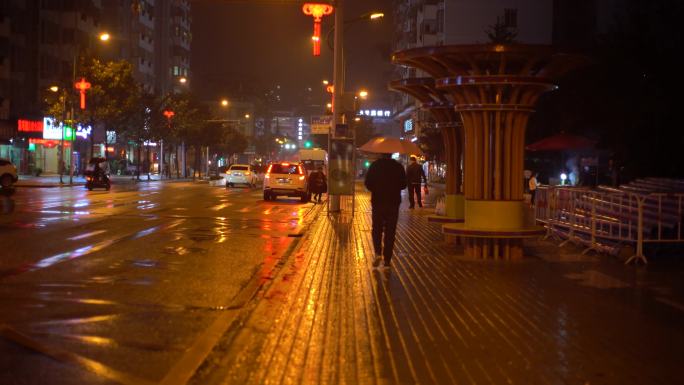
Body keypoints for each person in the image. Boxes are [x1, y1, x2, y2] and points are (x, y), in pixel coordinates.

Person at [364, 153, 407, 270]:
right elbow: (404, 184)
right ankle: (387, 259)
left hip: (378, 201)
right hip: (393, 202)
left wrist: (377, 188)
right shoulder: (398, 166)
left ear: (381, 154)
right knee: (390, 231)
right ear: (391, 154)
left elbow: (368, 183)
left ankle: (378, 252)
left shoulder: (375, 165)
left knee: (377, 228)